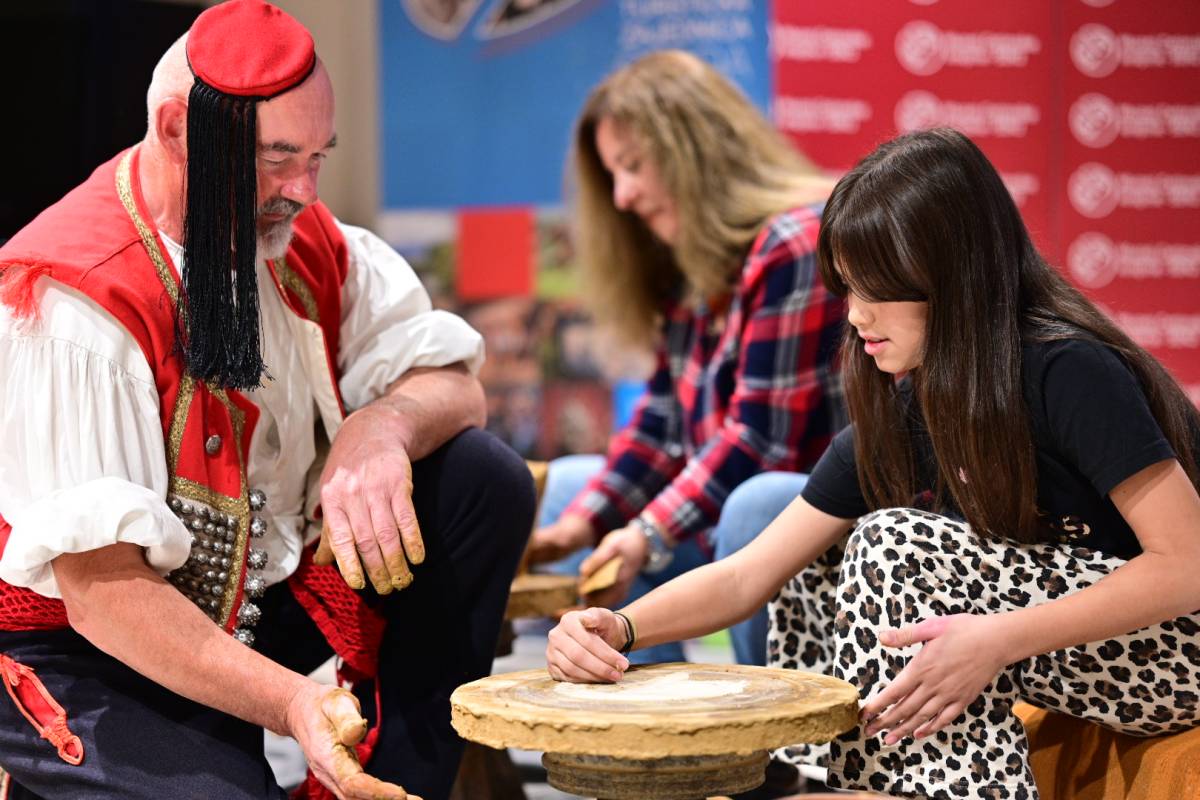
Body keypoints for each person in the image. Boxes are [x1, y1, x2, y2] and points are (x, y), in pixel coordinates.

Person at [544, 128, 1200, 799]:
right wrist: (619, 627)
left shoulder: (1067, 369)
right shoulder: (909, 405)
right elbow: (746, 576)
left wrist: (998, 639)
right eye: (848, 288)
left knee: (895, 543)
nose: (856, 315)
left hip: (1179, 652)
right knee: (816, 563)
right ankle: (820, 779)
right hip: (1067, 654)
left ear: (952, 278)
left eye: (877, 290)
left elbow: (1187, 565)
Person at [0, 2, 533, 799]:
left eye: (319, 155)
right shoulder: (80, 300)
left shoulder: (301, 235)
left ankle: (398, 785)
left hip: (250, 594)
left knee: (480, 482)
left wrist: (379, 429)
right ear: (179, 130)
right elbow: (102, 592)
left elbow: (454, 382)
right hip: (87, 644)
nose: (306, 189)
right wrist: (292, 702)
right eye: (279, 156)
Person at [527, 50, 845, 666]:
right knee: (569, 494)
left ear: (695, 151)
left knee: (758, 503)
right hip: (720, 513)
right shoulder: (694, 261)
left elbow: (760, 443)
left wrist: (646, 534)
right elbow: (660, 424)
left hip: (817, 521)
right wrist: (586, 523)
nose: (621, 197)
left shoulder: (795, 242)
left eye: (634, 166)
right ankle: (658, 745)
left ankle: (772, 745)